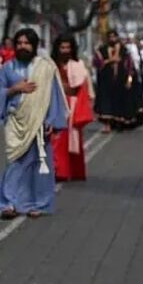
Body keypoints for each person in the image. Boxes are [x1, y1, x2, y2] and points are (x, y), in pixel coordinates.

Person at [0, 28, 68, 219]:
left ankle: (37, 203)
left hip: (40, 123)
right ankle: (9, 202)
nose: (22, 46)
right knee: (15, 164)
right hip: (16, 122)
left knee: (39, 165)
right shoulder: (7, 68)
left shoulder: (45, 68)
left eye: (27, 43)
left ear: (34, 46)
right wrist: (15, 89)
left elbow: (53, 95)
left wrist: (51, 120)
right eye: (19, 43)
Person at [51, 34, 94, 182]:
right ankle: (59, 170)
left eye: (68, 47)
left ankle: (74, 171)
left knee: (72, 139)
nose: (65, 50)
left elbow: (78, 88)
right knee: (57, 138)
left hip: (72, 105)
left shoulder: (77, 65)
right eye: (62, 47)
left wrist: (64, 88)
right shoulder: (51, 64)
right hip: (55, 103)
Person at [94, 29, 143, 132]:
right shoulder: (102, 50)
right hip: (106, 81)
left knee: (120, 102)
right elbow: (98, 63)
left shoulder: (123, 50)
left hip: (121, 81)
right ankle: (107, 125)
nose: (112, 39)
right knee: (106, 103)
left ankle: (119, 123)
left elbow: (130, 66)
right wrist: (110, 60)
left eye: (114, 37)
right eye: (110, 37)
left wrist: (129, 80)